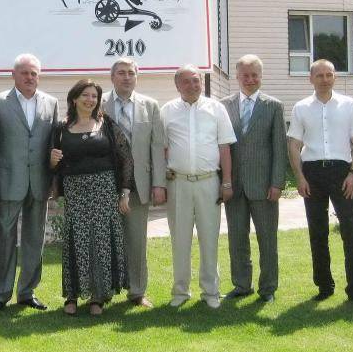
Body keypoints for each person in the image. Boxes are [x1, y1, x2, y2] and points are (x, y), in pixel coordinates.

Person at [0, 54, 59, 311]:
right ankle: (1, 294)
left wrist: (54, 180)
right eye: (24, 73)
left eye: (34, 73)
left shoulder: (51, 103)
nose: (29, 77)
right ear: (13, 75)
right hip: (7, 182)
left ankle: (27, 291)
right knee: (4, 239)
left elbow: (53, 144)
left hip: (39, 182)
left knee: (35, 239)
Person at [287, 59, 353, 304]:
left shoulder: (348, 105)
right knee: (318, 232)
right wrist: (300, 176)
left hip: (342, 173)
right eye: (319, 75)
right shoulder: (301, 108)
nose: (324, 79)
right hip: (312, 173)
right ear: (311, 79)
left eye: (329, 75)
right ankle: (324, 286)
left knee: (350, 231)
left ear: (335, 77)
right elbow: (294, 145)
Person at [50, 79, 134, 316]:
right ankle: (72, 296)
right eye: (85, 95)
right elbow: (54, 165)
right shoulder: (61, 128)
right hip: (75, 190)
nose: (90, 100)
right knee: (76, 241)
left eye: (94, 96)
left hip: (104, 189)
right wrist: (52, 161)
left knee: (101, 241)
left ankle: (99, 296)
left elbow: (126, 157)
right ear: (74, 99)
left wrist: (124, 192)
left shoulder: (106, 124)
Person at [161, 65, 235, 309]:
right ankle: (181, 291)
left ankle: (211, 292)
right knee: (179, 239)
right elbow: (162, 147)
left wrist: (226, 182)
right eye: (187, 81)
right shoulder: (167, 110)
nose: (193, 85)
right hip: (178, 183)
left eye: (196, 80)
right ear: (177, 85)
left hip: (209, 182)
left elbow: (225, 147)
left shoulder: (216, 109)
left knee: (209, 238)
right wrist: (163, 175)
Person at [220, 55, 287, 303]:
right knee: (237, 239)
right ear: (237, 76)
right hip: (234, 186)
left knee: (267, 240)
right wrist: (224, 181)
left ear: (261, 76)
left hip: (264, 186)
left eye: (254, 75)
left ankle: (268, 288)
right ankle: (241, 285)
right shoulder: (224, 106)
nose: (250, 80)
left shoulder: (274, 106)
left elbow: (279, 148)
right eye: (245, 75)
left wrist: (277, 183)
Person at [102, 58, 166, 308]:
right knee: (105, 239)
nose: (126, 77)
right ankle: (104, 291)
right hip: (106, 182)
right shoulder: (98, 103)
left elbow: (157, 146)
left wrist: (158, 183)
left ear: (137, 77)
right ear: (112, 77)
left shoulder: (150, 106)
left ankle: (137, 291)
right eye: (121, 73)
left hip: (139, 183)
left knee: (137, 240)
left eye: (131, 73)